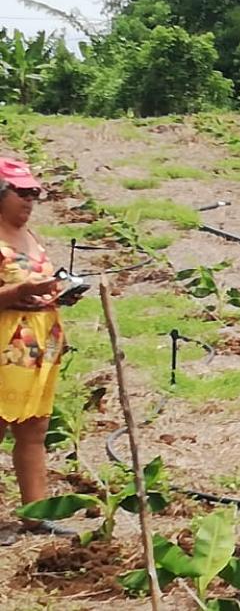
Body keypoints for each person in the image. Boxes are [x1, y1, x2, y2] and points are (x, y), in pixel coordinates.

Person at [0, 158, 78, 546]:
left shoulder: (30, 236)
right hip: (4, 346)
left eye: (35, 193)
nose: (30, 200)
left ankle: (35, 514)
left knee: (34, 428)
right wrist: (15, 294)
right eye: (22, 193)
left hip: (38, 347)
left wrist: (57, 293)